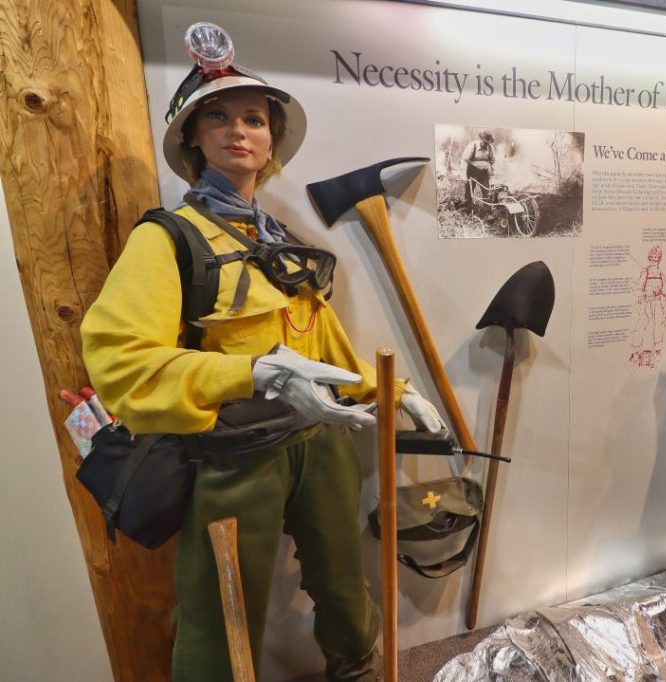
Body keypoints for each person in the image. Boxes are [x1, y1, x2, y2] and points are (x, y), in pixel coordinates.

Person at [81, 24, 443, 682]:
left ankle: (357, 672)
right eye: (217, 118)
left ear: (271, 139)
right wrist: (255, 372)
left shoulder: (282, 242)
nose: (238, 131)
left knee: (345, 586)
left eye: (254, 119)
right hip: (231, 458)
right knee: (221, 615)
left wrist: (391, 390)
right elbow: (122, 362)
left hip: (320, 441)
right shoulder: (169, 241)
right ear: (192, 137)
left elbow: (323, 347)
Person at [462, 129, 495, 206]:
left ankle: (487, 211)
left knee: (487, 192)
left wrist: (492, 174)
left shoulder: (490, 148)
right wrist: (464, 175)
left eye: (487, 143)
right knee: (469, 191)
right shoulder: (472, 146)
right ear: (481, 139)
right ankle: (467, 209)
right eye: (485, 142)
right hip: (472, 171)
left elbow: (492, 162)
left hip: (483, 172)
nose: (486, 144)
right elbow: (464, 161)